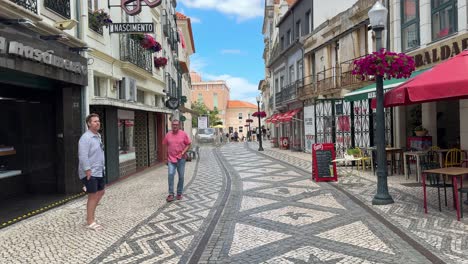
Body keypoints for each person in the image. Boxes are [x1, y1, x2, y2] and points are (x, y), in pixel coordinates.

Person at [79, 113, 105, 231]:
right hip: (90, 172)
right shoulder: (86, 138)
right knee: (93, 196)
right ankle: (90, 221)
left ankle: (91, 216)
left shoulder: (98, 136)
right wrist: (87, 170)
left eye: (98, 121)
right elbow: (83, 155)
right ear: (89, 123)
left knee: (101, 192)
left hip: (99, 170)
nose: (97, 123)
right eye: (94, 121)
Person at [162, 120, 191, 202]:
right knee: (170, 174)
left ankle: (179, 193)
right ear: (171, 125)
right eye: (173, 125)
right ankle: (171, 194)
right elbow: (164, 145)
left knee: (181, 176)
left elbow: (188, 144)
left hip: (181, 159)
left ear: (179, 126)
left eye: (176, 125)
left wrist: (182, 152)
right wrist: (165, 158)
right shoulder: (168, 135)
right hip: (171, 159)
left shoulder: (183, 134)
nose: (175, 126)